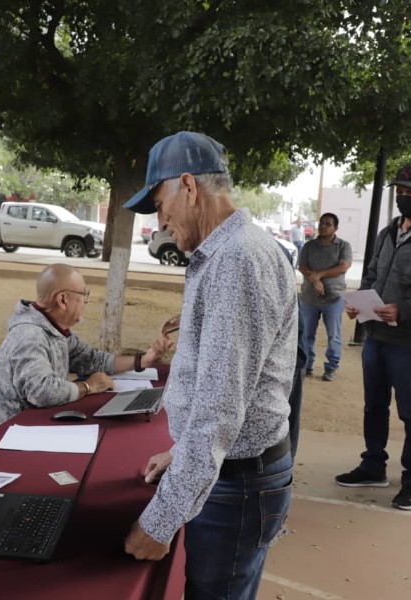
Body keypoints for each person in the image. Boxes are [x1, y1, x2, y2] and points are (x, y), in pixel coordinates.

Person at [122, 131, 297, 600]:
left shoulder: (236, 259)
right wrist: (182, 454)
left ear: (189, 187)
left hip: (239, 483)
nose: (162, 224)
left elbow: (219, 411)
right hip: (238, 475)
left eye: (161, 207)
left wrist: (158, 523)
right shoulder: (226, 251)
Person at [336, 163, 411, 511]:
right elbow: (373, 274)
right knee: (374, 405)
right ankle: (373, 465)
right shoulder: (387, 233)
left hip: (409, 342)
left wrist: (403, 309)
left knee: (410, 412)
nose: (403, 197)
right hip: (376, 336)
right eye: (399, 192)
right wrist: (361, 303)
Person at [0, 263, 173, 438]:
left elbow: (91, 360)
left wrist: (144, 360)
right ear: (63, 299)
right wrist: (88, 386)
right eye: (83, 294)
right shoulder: (29, 335)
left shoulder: (53, 328)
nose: (86, 300)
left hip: (27, 428)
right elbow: (43, 392)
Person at [298, 213, 352, 381]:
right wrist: (314, 279)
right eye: (321, 223)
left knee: (334, 335)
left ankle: (331, 367)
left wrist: (319, 275)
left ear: (335, 228)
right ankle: (307, 364)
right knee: (307, 333)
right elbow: (302, 266)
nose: (323, 226)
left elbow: (343, 267)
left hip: (334, 298)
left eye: (327, 224)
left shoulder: (343, 246)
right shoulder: (309, 246)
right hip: (309, 298)